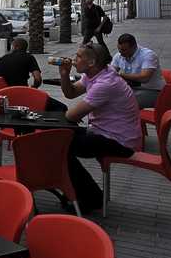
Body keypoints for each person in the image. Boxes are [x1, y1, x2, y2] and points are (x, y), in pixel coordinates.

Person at [57, 44, 141, 213]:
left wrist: (75, 114)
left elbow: (70, 116)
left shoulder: (105, 83)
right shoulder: (97, 73)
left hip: (119, 142)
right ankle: (81, 192)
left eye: (79, 56)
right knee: (59, 140)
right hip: (102, 133)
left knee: (59, 147)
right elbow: (71, 93)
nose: (74, 59)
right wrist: (64, 74)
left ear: (91, 62)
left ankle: (91, 198)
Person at [110, 33, 165, 109]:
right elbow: (110, 73)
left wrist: (122, 75)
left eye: (123, 50)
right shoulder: (119, 55)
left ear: (134, 47)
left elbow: (144, 78)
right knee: (108, 96)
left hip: (154, 91)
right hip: (134, 89)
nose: (121, 53)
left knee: (123, 102)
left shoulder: (148, 55)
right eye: (119, 49)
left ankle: (126, 120)